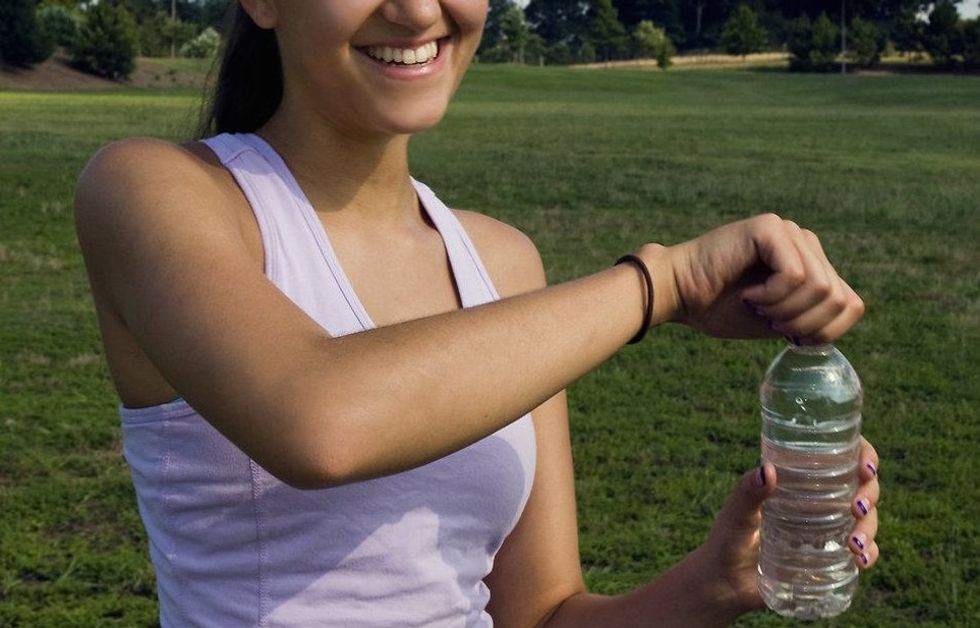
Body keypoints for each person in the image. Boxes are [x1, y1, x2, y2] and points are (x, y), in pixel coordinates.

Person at [73, 1, 880, 626]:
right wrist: (663, 283)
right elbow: (319, 421)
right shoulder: (155, 191)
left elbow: (539, 616)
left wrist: (715, 585)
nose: (419, 13)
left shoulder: (503, 264)